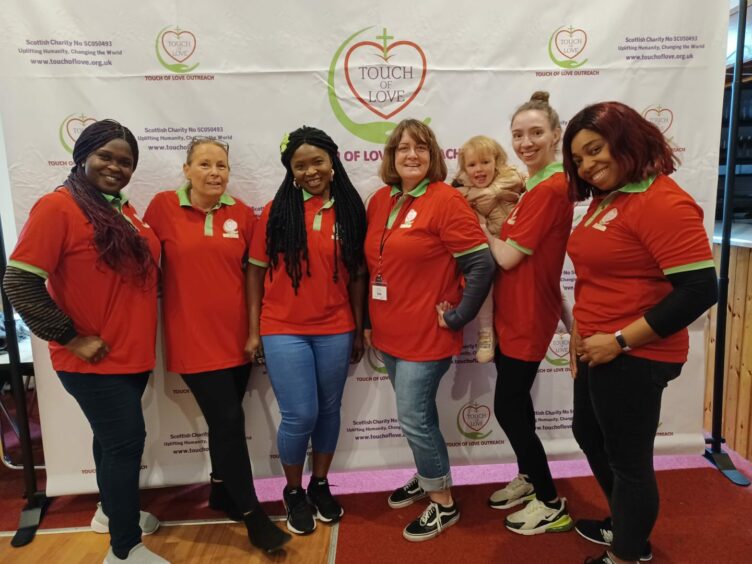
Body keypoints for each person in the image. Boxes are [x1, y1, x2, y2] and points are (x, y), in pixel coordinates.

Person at [2, 120, 168, 563]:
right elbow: (19, 282)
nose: (116, 166)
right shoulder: (58, 208)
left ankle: (109, 514)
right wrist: (71, 337)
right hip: (94, 363)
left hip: (130, 356)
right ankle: (125, 549)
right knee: (124, 444)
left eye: (126, 161)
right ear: (83, 155)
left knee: (109, 441)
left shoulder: (121, 209)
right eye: (107, 156)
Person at [563, 101, 717, 564]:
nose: (588, 165)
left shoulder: (662, 202)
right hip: (597, 348)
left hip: (634, 355)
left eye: (595, 150)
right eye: (579, 159)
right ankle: (624, 525)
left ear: (625, 139)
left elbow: (699, 289)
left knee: (628, 461)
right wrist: (580, 331)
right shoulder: (609, 200)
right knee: (590, 436)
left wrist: (620, 340)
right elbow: (598, 275)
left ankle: (628, 555)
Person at [143, 138, 290, 553]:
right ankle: (252, 515)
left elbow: (252, 277)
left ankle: (222, 490)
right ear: (186, 168)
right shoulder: (161, 207)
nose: (214, 172)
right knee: (227, 422)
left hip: (238, 338)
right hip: (192, 338)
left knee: (225, 420)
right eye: (204, 164)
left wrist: (254, 331)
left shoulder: (241, 213)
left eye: (221, 165)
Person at [365, 118, 495, 542]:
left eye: (421, 147)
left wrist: (458, 317)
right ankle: (428, 476)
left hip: (428, 335)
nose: (412, 155)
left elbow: (480, 264)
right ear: (392, 157)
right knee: (417, 418)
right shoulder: (380, 200)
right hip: (389, 333)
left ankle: (443, 502)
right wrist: (370, 323)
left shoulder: (446, 200)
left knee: (414, 418)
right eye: (403, 148)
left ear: (434, 155)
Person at [247, 126, 367, 536]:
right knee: (300, 414)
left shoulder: (350, 210)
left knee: (329, 411)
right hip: (283, 328)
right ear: (290, 171)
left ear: (333, 161)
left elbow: (357, 275)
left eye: (317, 161)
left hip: (336, 327)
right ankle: (293, 491)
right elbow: (255, 274)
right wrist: (253, 330)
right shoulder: (276, 212)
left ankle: (319, 485)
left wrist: (359, 326)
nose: (310, 170)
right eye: (300, 165)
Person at [482, 92, 575, 535]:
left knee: (508, 406)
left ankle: (550, 500)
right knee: (516, 403)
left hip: (528, 314)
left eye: (536, 132)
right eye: (518, 134)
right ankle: (528, 475)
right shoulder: (533, 185)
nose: (525, 141)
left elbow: (506, 258)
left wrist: (477, 227)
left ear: (557, 135)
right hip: (511, 311)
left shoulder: (551, 187)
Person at [452, 135, 525, 363]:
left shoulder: (513, 178)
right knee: (485, 277)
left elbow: (527, 184)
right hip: (490, 243)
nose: (479, 169)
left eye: (485, 162)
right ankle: (486, 334)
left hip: (519, 242)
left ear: (497, 161)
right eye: (472, 165)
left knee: (549, 286)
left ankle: (574, 327)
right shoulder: (460, 191)